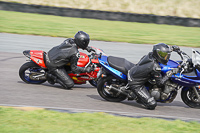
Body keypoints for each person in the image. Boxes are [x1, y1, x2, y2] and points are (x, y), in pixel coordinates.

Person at [127, 43, 178, 110]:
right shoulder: (155, 67)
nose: (166, 57)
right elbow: (160, 83)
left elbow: (160, 51)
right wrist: (169, 74)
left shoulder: (151, 54)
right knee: (152, 104)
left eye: (166, 55)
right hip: (135, 83)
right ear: (158, 54)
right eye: (164, 55)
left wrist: (172, 49)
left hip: (136, 72)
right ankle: (138, 97)